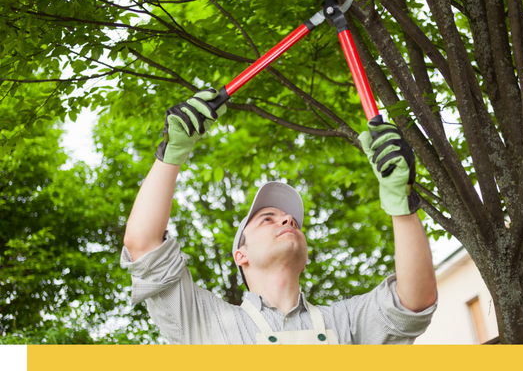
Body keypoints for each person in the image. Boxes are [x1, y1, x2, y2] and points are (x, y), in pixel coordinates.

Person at [121, 89, 437, 344]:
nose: (287, 220)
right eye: (268, 218)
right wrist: (171, 153)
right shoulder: (206, 323)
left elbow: (414, 303)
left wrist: (401, 202)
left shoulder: (345, 322)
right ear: (239, 254)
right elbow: (143, 245)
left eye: (293, 221)